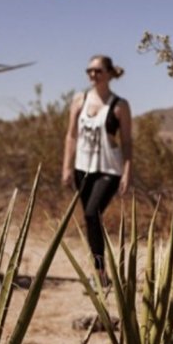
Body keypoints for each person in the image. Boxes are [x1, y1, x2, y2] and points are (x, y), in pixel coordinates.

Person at [62, 54, 132, 284]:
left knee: (92, 213)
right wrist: (67, 167)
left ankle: (100, 272)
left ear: (109, 74)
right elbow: (71, 135)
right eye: (89, 71)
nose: (93, 75)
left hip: (109, 169)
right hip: (83, 167)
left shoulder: (119, 105)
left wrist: (127, 170)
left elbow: (127, 141)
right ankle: (100, 274)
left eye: (98, 71)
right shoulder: (79, 100)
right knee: (90, 219)